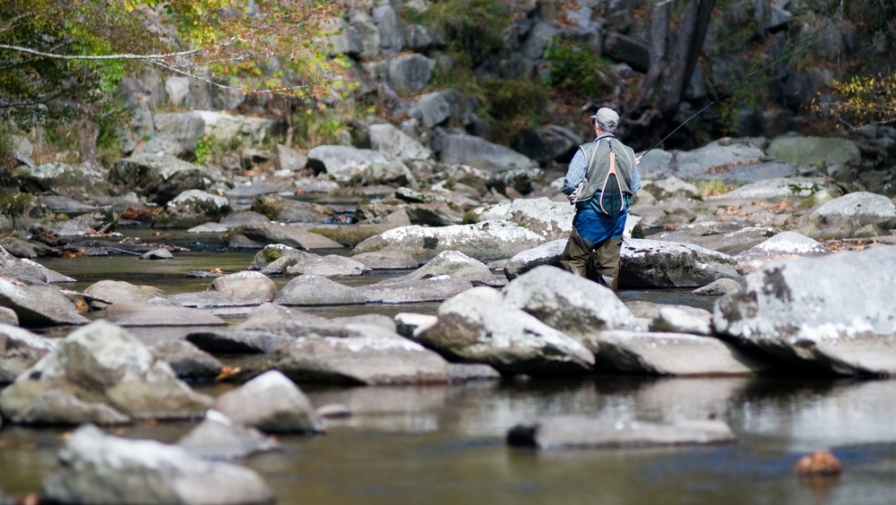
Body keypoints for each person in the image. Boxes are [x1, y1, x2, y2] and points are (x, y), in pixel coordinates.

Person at [559, 107, 641, 291]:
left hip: (590, 216)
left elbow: (570, 184)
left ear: (596, 124)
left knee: (574, 259)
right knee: (609, 267)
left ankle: (578, 300)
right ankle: (608, 306)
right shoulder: (628, 152)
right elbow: (634, 187)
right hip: (617, 218)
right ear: (614, 127)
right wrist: (629, 166)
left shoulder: (586, 151)